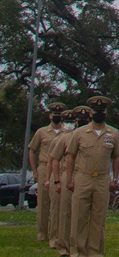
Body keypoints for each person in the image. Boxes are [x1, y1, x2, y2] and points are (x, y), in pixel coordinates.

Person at [65, 95, 119, 257]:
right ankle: (77, 253)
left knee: (98, 217)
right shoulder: (79, 133)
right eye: (96, 111)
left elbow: (117, 157)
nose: (100, 113)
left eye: (102, 111)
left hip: (102, 178)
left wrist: (115, 179)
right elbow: (70, 157)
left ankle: (94, 253)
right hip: (82, 177)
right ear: (91, 113)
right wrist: (69, 179)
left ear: (106, 112)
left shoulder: (113, 133)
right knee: (79, 216)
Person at [47, 106, 83, 256]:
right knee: (63, 212)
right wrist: (55, 180)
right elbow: (54, 160)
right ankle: (60, 242)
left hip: (82, 175)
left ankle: (79, 244)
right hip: (65, 175)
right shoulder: (63, 138)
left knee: (81, 212)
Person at [28, 102, 65, 244]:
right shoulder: (41, 132)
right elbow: (32, 150)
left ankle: (55, 234)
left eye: (59, 115)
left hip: (60, 168)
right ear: (50, 116)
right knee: (43, 202)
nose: (57, 117)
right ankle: (42, 233)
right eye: (54, 114)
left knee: (58, 203)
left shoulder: (66, 132)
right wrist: (35, 170)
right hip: (44, 167)